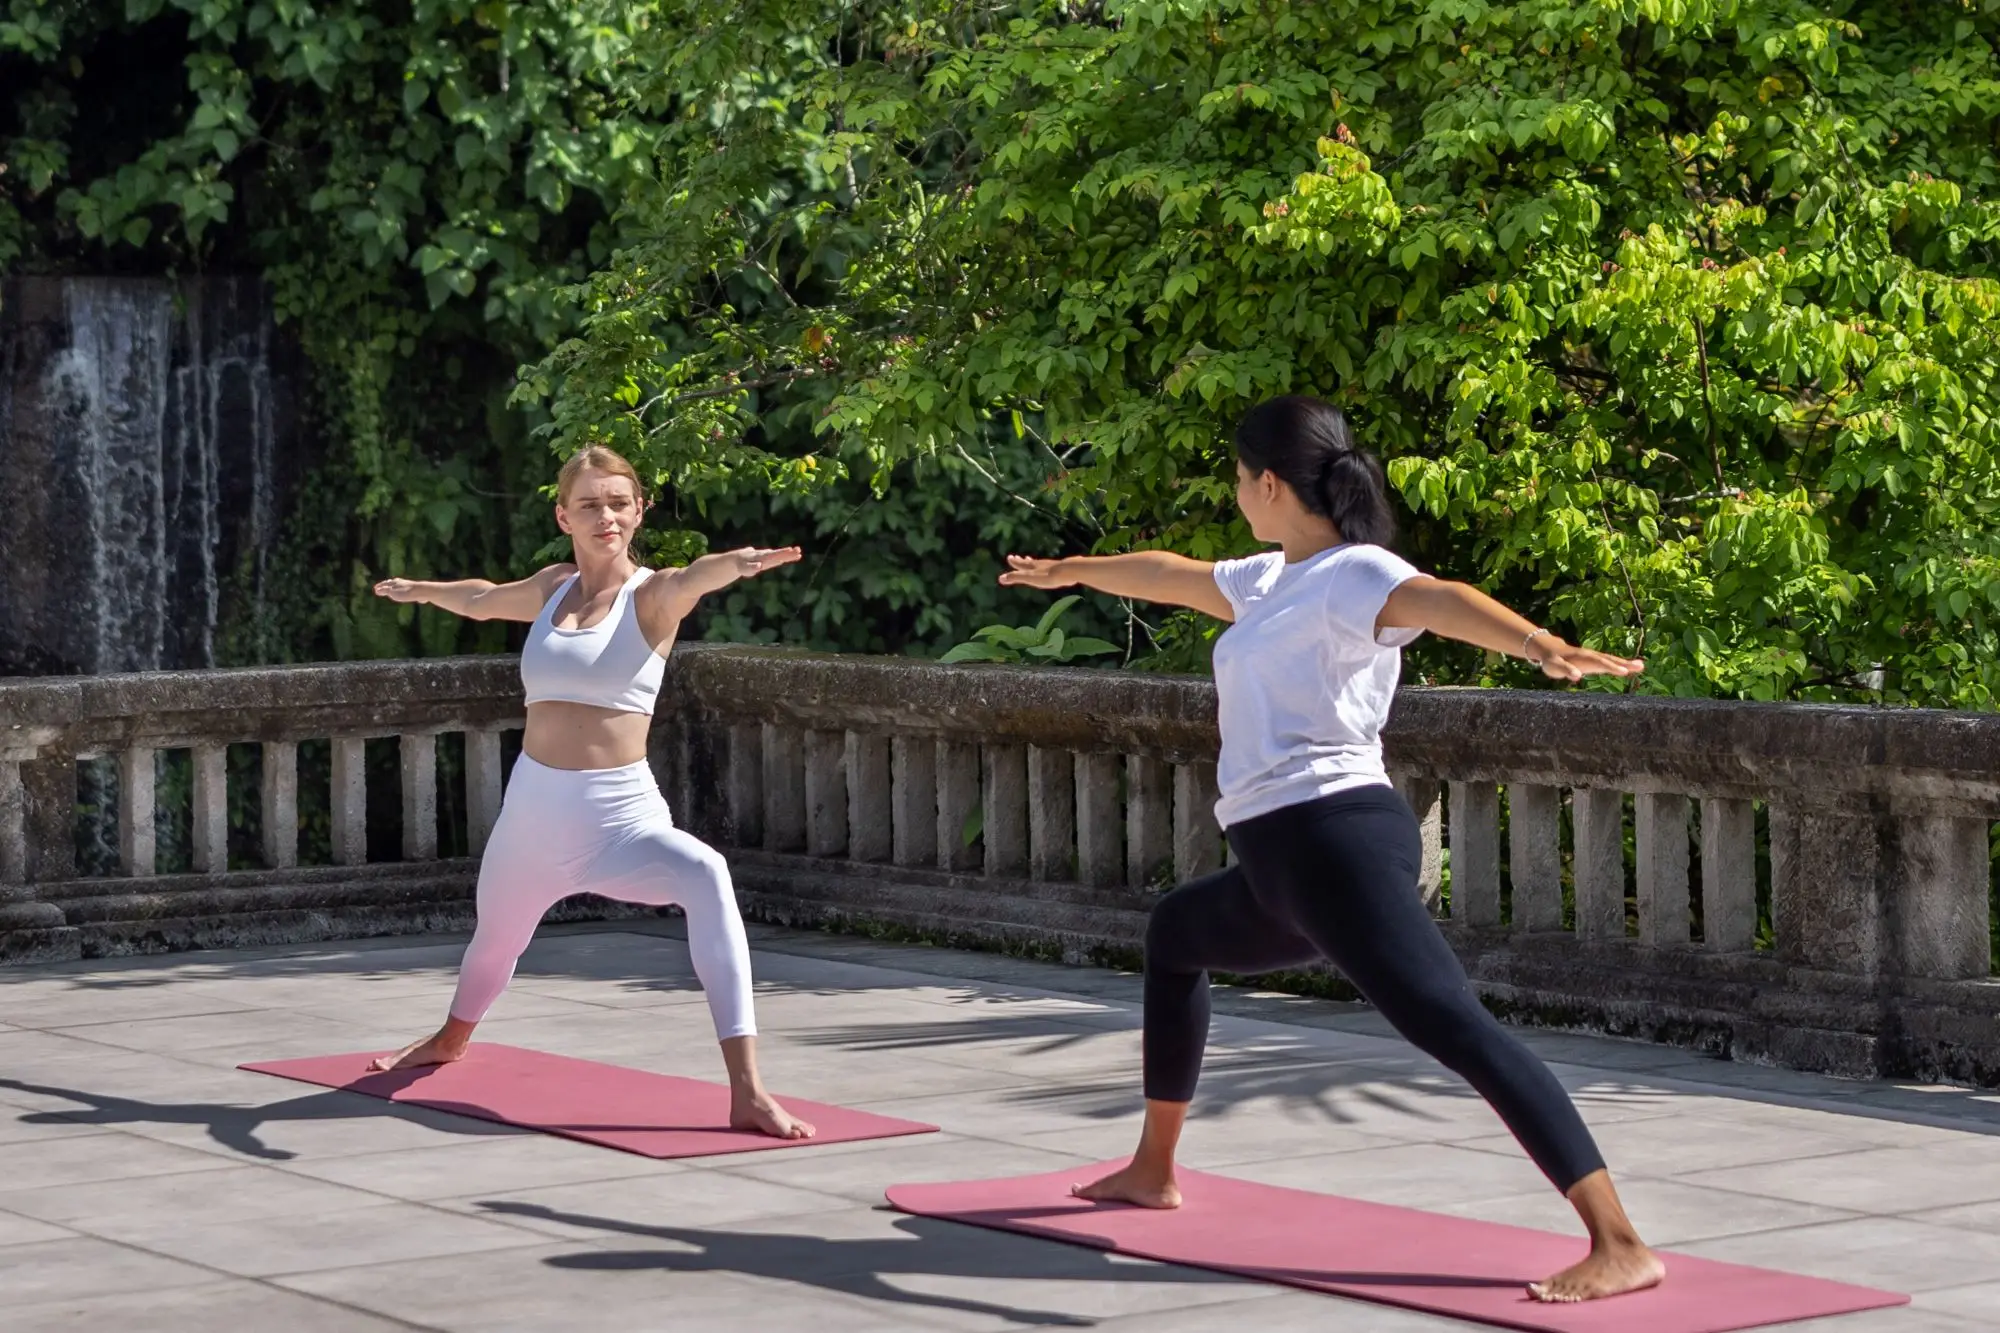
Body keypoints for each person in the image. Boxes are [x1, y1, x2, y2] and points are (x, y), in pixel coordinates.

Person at [997, 395, 1662, 1302]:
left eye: (1238, 481)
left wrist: (1538, 643)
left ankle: (1619, 1241)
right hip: (1281, 864)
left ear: (1269, 483)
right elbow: (1169, 572)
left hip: (1335, 841)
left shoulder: (1353, 573)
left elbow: (1438, 598)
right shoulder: (1269, 581)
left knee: (1452, 1025)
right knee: (1176, 935)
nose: (1237, 497)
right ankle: (1153, 1169)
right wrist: (1072, 570)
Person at [369, 444, 813, 1140]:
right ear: (563, 515)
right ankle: (451, 1036)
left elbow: (697, 576)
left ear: (639, 511)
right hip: (533, 816)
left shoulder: (653, 595)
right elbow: (483, 600)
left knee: (707, 874)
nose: (605, 515)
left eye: (618, 502)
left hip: (621, 818)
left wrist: (740, 563)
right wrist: (421, 589)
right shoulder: (551, 588)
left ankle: (748, 1089)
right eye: (589, 504)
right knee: (495, 943)